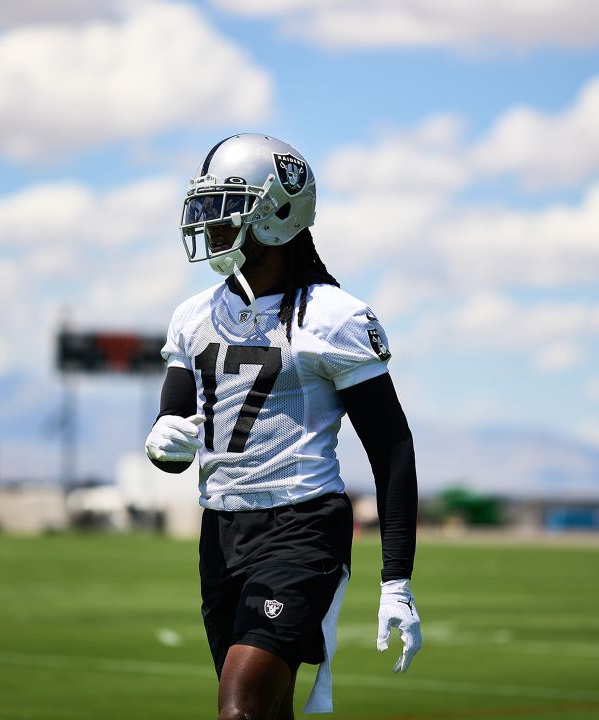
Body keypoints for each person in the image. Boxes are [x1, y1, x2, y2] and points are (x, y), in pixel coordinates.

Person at [144, 134, 422, 719]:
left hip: (301, 528)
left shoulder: (332, 318)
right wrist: (162, 444)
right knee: (269, 714)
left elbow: (391, 447)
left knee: (238, 711)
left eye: (227, 203)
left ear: (277, 212)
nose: (209, 219)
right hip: (220, 531)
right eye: (206, 203)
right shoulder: (193, 317)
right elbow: (176, 434)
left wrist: (396, 577)